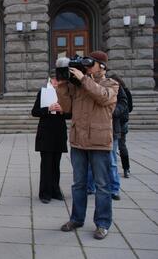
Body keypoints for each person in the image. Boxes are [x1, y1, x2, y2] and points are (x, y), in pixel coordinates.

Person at [56, 51, 119, 240]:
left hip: (99, 142)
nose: (87, 66)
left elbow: (103, 97)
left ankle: (102, 223)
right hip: (78, 141)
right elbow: (66, 108)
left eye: (90, 63)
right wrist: (63, 84)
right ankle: (77, 219)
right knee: (78, 184)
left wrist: (84, 78)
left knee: (102, 185)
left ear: (102, 66)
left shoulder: (111, 84)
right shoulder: (79, 85)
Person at [86, 73, 128, 200]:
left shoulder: (112, 83)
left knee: (111, 161)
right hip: (92, 129)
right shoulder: (88, 81)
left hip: (111, 129)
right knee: (90, 161)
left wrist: (111, 112)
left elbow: (123, 103)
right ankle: (90, 186)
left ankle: (114, 189)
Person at [31, 71, 71, 204]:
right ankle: (44, 193)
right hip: (46, 133)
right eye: (54, 80)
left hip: (59, 133)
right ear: (50, 80)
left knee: (56, 164)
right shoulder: (43, 92)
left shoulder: (65, 93)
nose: (56, 82)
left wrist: (62, 111)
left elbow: (70, 114)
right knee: (46, 164)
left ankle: (55, 190)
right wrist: (48, 109)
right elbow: (35, 112)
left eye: (58, 80)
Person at [110, 74, 133, 178]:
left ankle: (126, 168)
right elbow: (130, 107)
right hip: (119, 121)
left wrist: (118, 111)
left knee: (121, 146)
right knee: (121, 146)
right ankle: (126, 169)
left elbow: (129, 106)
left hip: (121, 122)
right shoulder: (124, 90)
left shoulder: (123, 91)